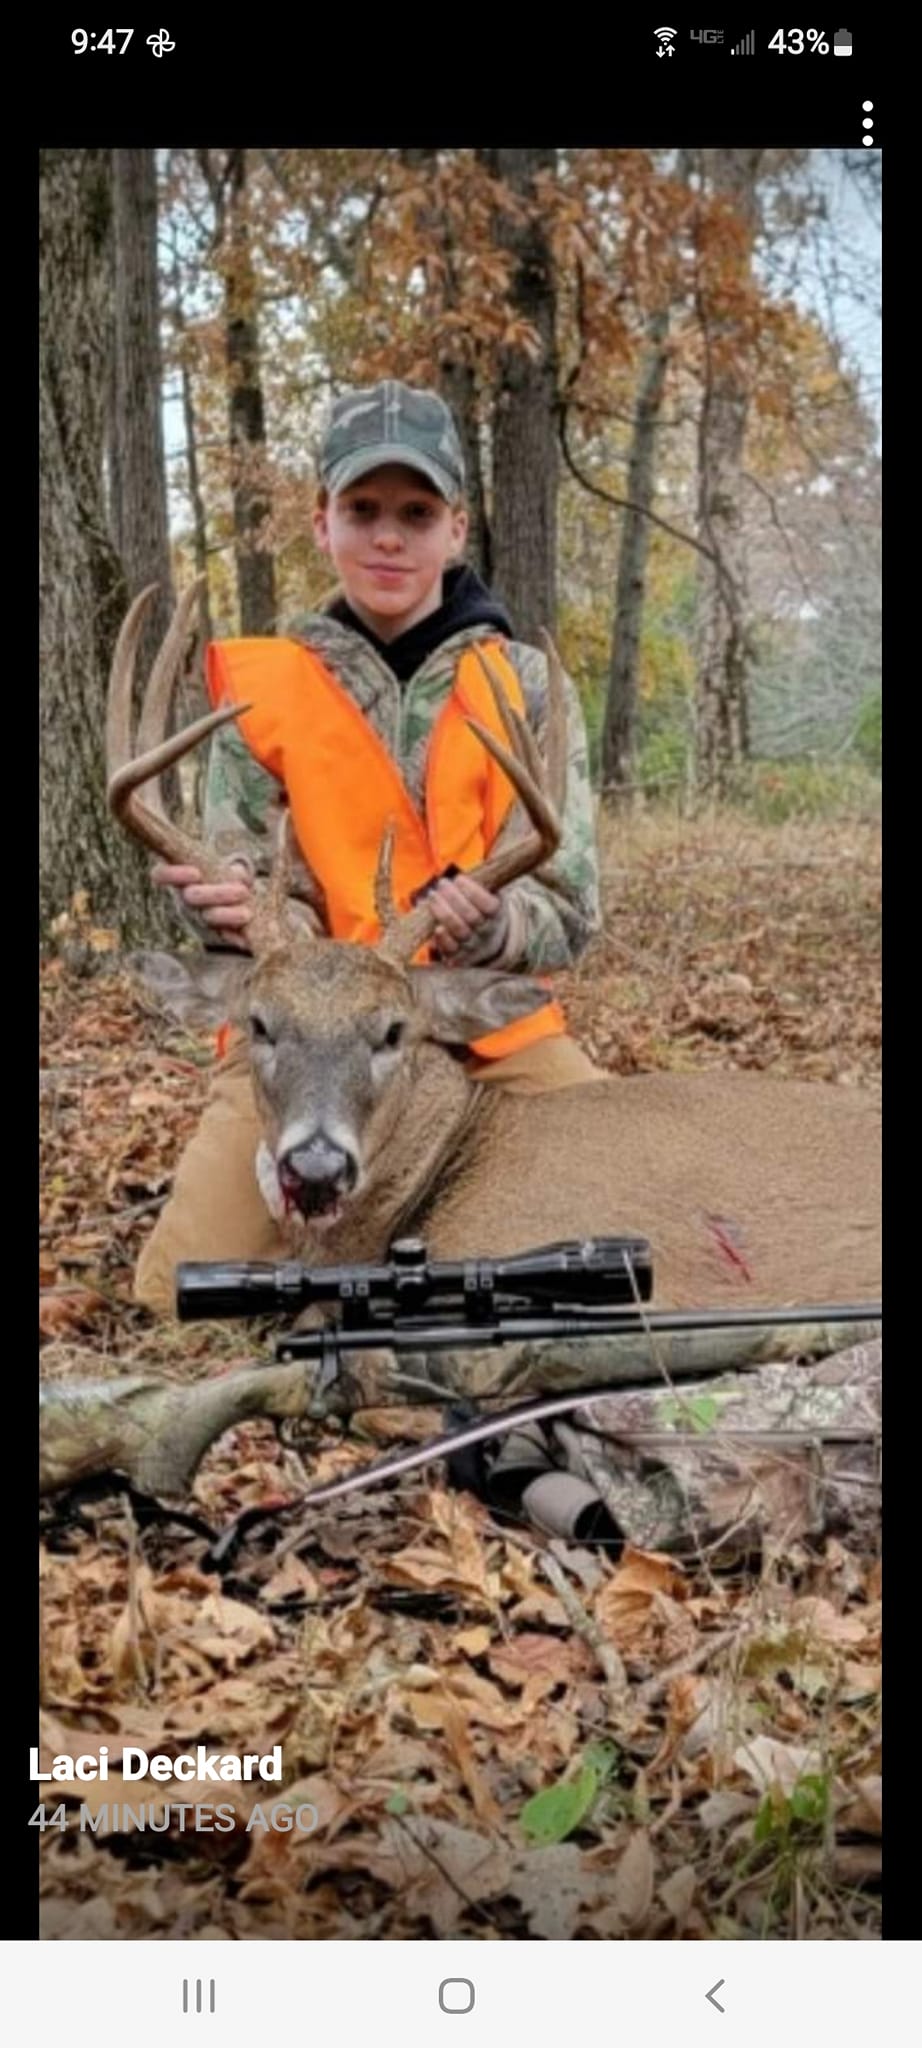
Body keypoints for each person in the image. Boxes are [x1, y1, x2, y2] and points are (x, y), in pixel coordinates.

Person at [135, 380, 602, 1312]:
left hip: (476, 1022)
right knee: (176, 1297)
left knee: (619, 1229)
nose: (390, 537)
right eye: (364, 511)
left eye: (416, 514)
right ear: (323, 522)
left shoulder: (525, 689)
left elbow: (571, 906)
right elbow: (236, 861)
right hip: (302, 1041)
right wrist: (235, 908)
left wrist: (500, 926)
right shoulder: (263, 692)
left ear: (456, 529)